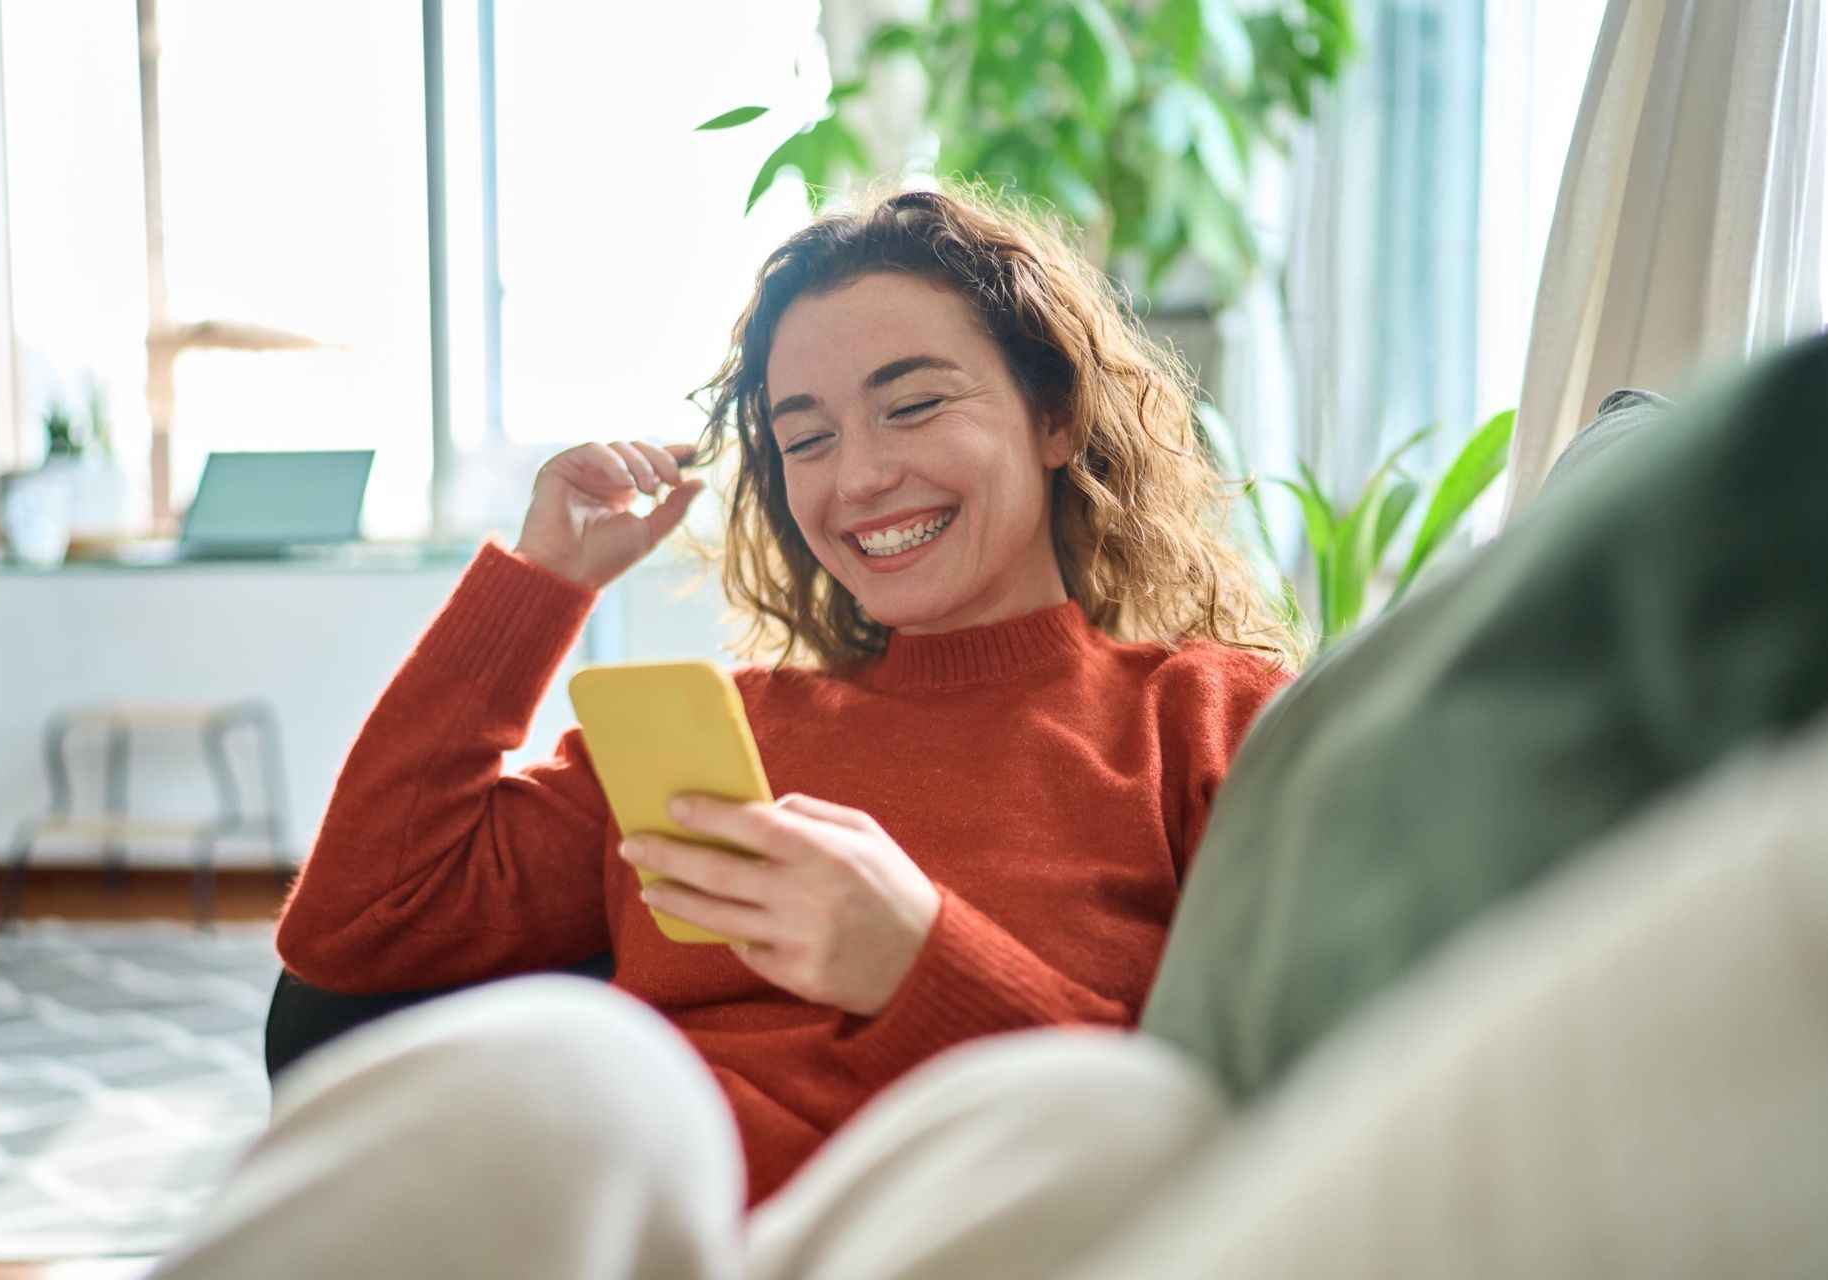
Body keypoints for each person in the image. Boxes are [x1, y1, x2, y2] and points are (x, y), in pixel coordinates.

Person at [256, 185, 1292, 1206]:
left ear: (1055, 413)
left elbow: (1238, 1133)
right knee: (566, 1066)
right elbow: (353, 928)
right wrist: (541, 581)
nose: (859, 480)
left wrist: (918, 959)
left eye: (914, 404)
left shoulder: (1205, 721)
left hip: (969, 1227)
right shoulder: (727, 735)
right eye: (807, 438)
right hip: (648, 1224)